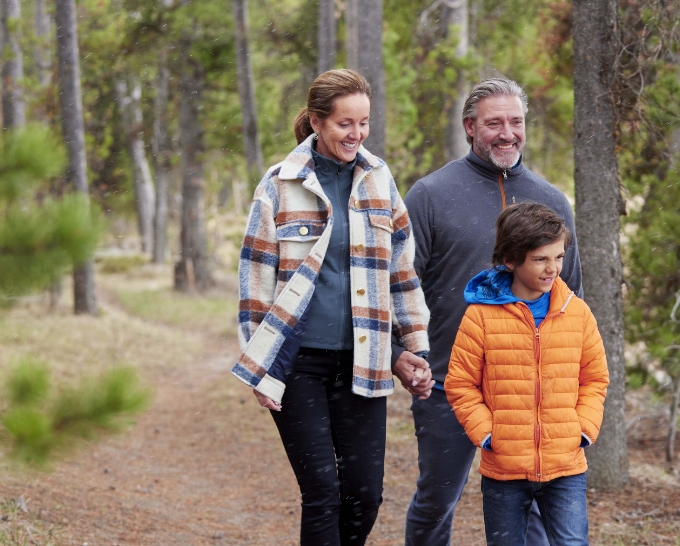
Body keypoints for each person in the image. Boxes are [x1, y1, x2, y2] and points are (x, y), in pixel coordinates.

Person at [231, 69, 430, 546]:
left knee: (365, 495)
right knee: (322, 492)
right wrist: (261, 367)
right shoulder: (280, 184)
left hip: (364, 360)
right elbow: (255, 278)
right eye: (345, 123)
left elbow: (401, 272)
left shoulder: (380, 180)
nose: (356, 134)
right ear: (318, 122)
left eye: (363, 123)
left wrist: (414, 348)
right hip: (299, 364)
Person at [392, 78, 584, 545]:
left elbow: (571, 297)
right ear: (469, 128)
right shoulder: (430, 195)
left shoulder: (552, 200)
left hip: (530, 393)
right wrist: (401, 352)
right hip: (447, 383)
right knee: (438, 500)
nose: (507, 133)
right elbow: (400, 285)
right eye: (494, 123)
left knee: (532, 513)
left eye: (515, 122)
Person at [445, 202, 609, 545]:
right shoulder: (481, 317)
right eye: (540, 259)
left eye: (559, 257)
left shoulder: (577, 313)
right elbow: (461, 384)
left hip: (566, 465)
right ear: (511, 260)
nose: (553, 269)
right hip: (504, 468)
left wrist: (582, 429)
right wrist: (489, 435)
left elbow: (594, 379)